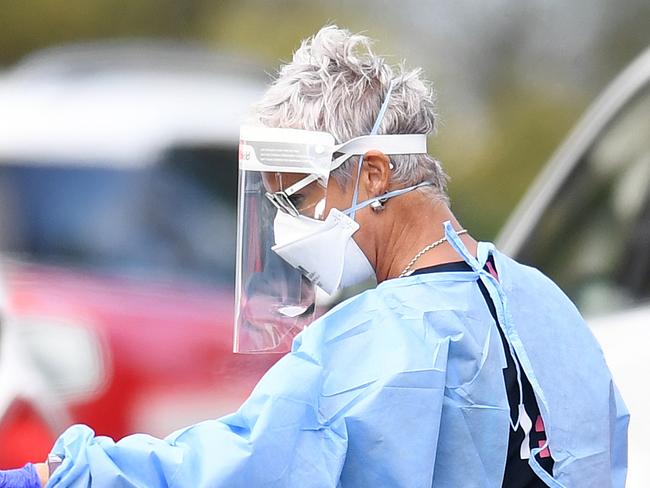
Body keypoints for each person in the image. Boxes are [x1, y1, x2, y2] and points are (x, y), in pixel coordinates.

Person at [2, 25, 628, 488]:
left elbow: (236, 467)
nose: (284, 232)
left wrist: (63, 475)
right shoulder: (549, 306)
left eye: (299, 196)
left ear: (376, 173)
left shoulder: (379, 341)